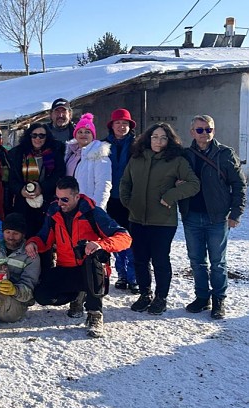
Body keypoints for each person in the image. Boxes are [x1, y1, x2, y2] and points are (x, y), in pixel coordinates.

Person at [26, 176, 132, 338]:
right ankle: (77, 295)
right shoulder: (54, 212)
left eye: (65, 199)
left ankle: (95, 313)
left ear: (77, 196)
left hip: (91, 271)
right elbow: (44, 238)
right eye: (58, 198)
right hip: (66, 268)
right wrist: (33, 243)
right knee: (42, 295)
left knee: (93, 257)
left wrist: (100, 245)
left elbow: (125, 237)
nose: (60, 203)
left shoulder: (93, 213)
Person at [120, 123, 200, 315]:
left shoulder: (176, 160)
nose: (158, 141)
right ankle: (145, 294)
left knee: (160, 260)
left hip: (163, 221)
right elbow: (125, 182)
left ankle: (160, 297)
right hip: (137, 218)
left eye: (163, 137)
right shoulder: (137, 158)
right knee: (140, 260)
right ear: (148, 138)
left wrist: (170, 196)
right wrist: (128, 202)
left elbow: (193, 184)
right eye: (155, 136)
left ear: (169, 140)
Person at [180, 114, 247, 319]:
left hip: (217, 216)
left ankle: (219, 299)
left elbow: (239, 184)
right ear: (192, 132)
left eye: (208, 129)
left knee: (218, 262)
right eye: (199, 130)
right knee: (196, 261)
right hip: (192, 215)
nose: (204, 133)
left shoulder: (225, 153)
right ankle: (202, 297)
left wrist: (236, 212)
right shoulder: (185, 155)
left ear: (213, 130)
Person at [8, 122, 65, 254]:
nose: (38, 139)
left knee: (44, 237)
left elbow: (58, 175)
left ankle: (45, 268)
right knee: (24, 236)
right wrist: (21, 190)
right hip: (23, 203)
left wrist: (42, 187)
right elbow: (12, 180)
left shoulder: (54, 154)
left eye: (41, 136)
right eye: (34, 135)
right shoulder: (19, 154)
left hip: (46, 202)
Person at [102, 108, 138, 292]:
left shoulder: (137, 145)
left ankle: (133, 276)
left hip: (131, 198)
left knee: (131, 238)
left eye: (125, 123)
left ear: (130, 126)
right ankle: (121, 274)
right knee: (115, 237)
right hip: (109, 199)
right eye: (118, 123)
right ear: (112, 125)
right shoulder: (103, 145)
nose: (121, 126)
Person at [64, 113, 112, 210]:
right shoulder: (72, 155)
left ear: (93, 135)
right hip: (70, 206)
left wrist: (96, 209)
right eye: (80, 132)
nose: (83, 135)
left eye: (87, 132)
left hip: (88, 208)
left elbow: (103, 186)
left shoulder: (99, 155)